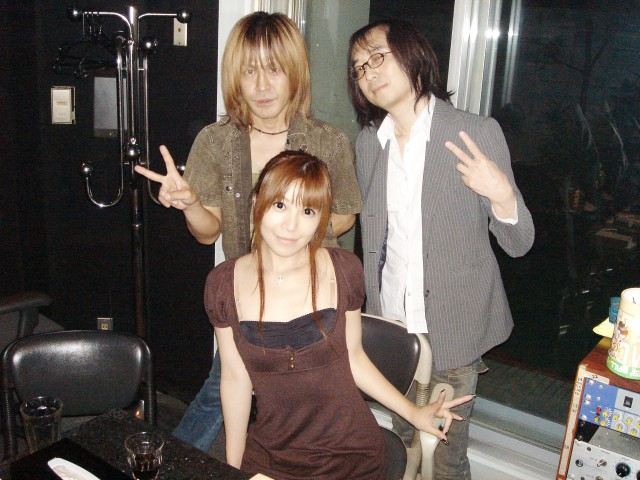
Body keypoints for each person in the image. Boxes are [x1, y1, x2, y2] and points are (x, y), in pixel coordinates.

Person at [134, 11, 361, 452]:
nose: (262, 85)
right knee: (222, 388)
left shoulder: (327, 142)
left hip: (313, 294)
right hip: (248, 296)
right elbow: (207, 234)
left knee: (313, 394)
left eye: (274, 69)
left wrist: (290, 236)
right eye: (250, 71)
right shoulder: (216, 141)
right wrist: (191, 203)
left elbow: (346, 216)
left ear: (294, 73)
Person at [208, 150, 473, 479]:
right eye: (279, 205)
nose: (291, 225)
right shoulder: (223, 284)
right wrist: (233, 468)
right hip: (272, 452)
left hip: (349, 453)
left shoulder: (343, 270)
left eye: (307, 210)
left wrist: (414, 413)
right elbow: (235, 379)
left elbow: (354, 358)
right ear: (256, 200)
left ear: (321, 217)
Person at [347, 19, 535, 479]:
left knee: (447, 458)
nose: (368, 72)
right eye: (358, 68)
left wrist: (501, 195)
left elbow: (519, 243)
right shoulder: (369, 144)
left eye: (378, 57)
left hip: (453, 327)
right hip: (394, 327)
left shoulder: (473, 132)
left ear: (413, 56)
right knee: (404, 439)